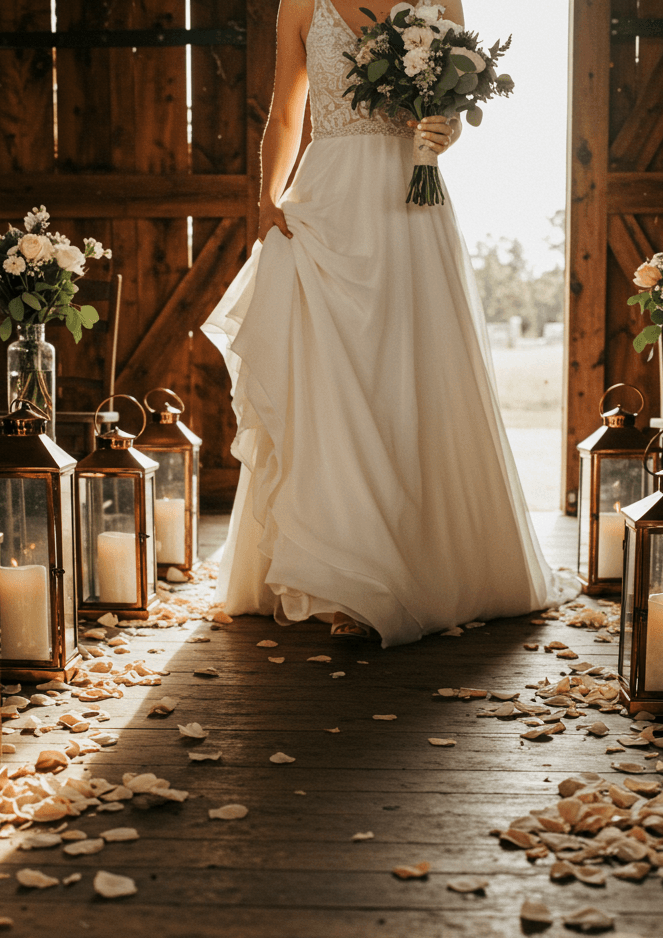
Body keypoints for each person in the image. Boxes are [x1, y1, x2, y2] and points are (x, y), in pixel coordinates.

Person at [202, 0, 575, 643]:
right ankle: (337, 573)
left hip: (408, 203)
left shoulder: (440, 4)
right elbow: (286, 109)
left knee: (410, 377)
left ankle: (410, 569)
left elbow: (449, 113)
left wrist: (444, 131)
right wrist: (266, 197)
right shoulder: (300, 4)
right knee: (325, 384)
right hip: (324, 203)